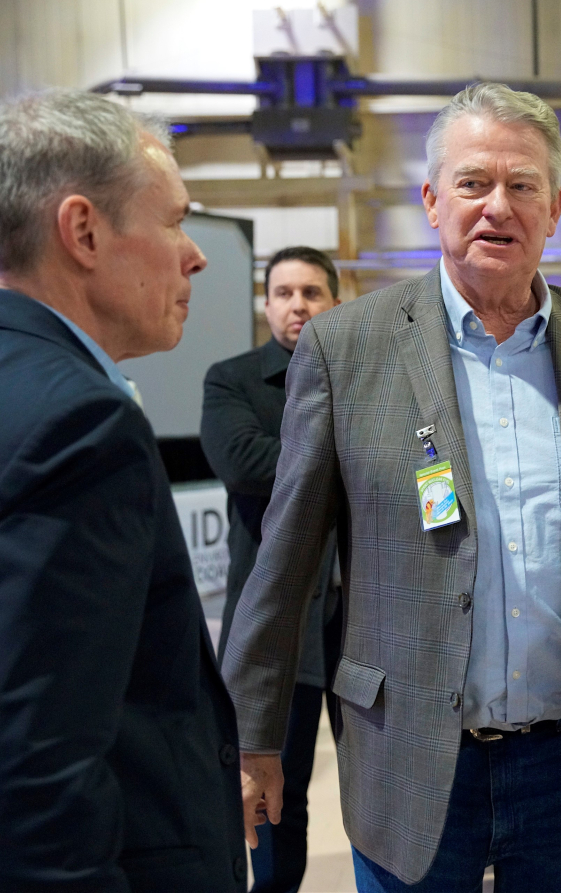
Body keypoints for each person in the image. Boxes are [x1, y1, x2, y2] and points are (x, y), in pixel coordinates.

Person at [222, 82, 561, 892]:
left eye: (522, 186)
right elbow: (288, 559)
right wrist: (253, 735)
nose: (497, 207)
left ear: (554, 208)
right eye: (474, 183)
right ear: (431, 200)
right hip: (408, 752)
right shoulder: (350, 348)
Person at [0, 90, 245, 891]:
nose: (196, 254)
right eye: (175, 220)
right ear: (82, 231)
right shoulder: (78, 427)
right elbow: (26, 777)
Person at [201, 244, 344, 893]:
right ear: (266, 303)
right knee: (271, 787)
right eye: (284, 292)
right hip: (276, 621)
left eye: (312, 292)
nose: (298, 305)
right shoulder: (230, 379)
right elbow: (242, 463)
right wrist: (346, 454)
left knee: (385, 780)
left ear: (334, 302)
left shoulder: (364, 375)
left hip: (359, 615)